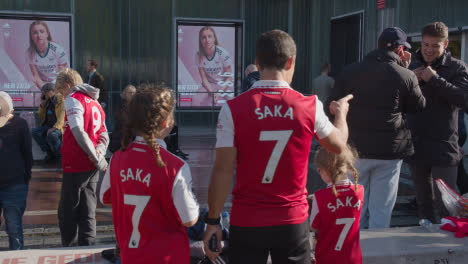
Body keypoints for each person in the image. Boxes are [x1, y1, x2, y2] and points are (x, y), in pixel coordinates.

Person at [202, 29, 353, 264]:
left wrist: (213, 222)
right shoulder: (309, 105)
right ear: (291, 61)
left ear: (257, 63)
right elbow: (338, 144)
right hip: (292, 221)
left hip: (247, 220)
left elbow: (222, 170)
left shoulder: (233, 108)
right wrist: (341, 115)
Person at [327, 27, 426, 229]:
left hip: (355, 150)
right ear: (400, 50)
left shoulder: (350, 71)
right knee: (382, 210)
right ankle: (378, 254)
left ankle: (354, 253)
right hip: (389, 151)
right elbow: (418, 106)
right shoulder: (405, 75)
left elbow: (331, 105)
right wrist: (407, 71)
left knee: (355, 207)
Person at [100, 84, 199, 264]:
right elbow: (189, 219)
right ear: (165, 122)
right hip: (169, 257)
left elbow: (105, 197)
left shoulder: (116, 159)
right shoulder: (176, 166)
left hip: (131, 255)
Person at [408, 22, 468, 223]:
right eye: (425, 44)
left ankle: (447, 253)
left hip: (444, 148)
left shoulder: (457, 67)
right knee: (423, 208)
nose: (429, 50)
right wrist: (409, 82)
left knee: (446, 209)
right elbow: (395, 101)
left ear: (446, 44)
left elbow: (464, 100)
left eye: (435, 45)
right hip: (416, 145)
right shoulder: (411, 65)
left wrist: (435, 79)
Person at [55, 68, 108, 246]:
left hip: (75, 164)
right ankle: (87, 248)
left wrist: (95, 156)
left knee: (67, 212)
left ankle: (69, 250)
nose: (62, 95)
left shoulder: (73, 99)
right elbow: (103, 134)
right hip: (91, 167)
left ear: (67, 85)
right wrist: (99, 153)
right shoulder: (95, 102)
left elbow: (77, 129)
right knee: (88, 211)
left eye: (61, 90)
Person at [310, 146, 363, 264]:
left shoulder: (320, 197)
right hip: (353, 257)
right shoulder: (359, 191)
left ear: (326, 171)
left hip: (327, 256)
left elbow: (314, 226)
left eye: (319, 170)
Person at [0, 91, 32, 250]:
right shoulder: (21, 124)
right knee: (14, 229)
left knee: (14, 229)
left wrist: (25, 178)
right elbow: (28, 156)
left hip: (15, 184)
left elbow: (27, 154)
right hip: (16, 182)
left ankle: (17, 258)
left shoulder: (20, 125)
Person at [195, 26, 234, 106]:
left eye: (210, 36)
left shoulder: (222, 53)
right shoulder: (198, 55)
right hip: (210, 84)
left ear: (214, 39)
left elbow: (229, 78)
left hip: (224, 84)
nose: (207, 40)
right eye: (204, 37)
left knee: (233, 102)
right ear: (201, 41)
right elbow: (204, 79)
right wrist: (212, 93)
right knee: (195, 100)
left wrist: (219, 93)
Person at [27, 21, 69, 89]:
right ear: (31, 36)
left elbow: (64, 73)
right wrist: (45, 90)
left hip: (59, 83)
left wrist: (54, 89)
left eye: (42, 31)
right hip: (43, 86)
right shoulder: (30, 53)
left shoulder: (57, 50)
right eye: (35, 33)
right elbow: (36, 77)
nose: (39, 35)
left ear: (47, 34)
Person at [32, 83, 65, 163]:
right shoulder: (48, 101)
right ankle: (49, 152)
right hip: (48, 126)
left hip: (59, 126)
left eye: (45, 92)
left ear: (51, 91)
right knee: (35, 132)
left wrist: (55, 127)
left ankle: (59, 155)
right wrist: (43, 104)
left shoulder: (60, 100)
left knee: (52, 135)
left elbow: (62, 115)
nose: (44, 94)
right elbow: (40, 115)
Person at [109, 84, 136, 153]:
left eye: (133, 93)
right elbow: (122, 118)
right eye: (130, 92)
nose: (132, 94)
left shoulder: (138, 105)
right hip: (120, 136)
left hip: (134, 137)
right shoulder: (120, 104)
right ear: (125, 94)